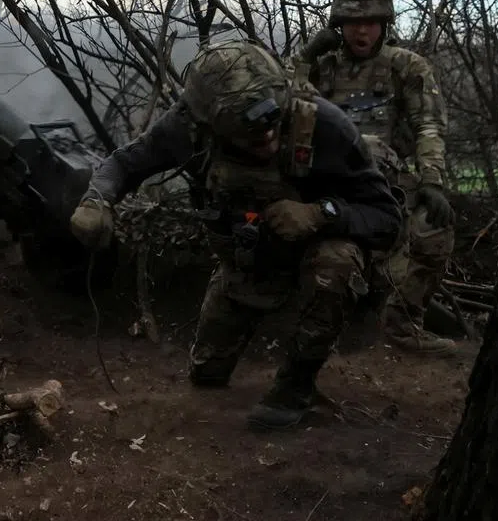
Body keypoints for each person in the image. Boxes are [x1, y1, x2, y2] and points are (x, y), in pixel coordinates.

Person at [69, 40, 402, 430]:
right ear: (212, 126)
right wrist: (96, 203)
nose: (266, 139)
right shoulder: (188, 128)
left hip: (318, 249)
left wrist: (320, 213)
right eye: (249, 135)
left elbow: (386, 218)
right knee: (206, 375)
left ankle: (294, 387)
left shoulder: (325, 126)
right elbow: (124, 164)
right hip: (249, 259)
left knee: (336, 264)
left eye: (272, 127)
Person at [296, 0, 457, 355]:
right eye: (352, 22)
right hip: (331, 182)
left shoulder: (406, 67)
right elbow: (282, 103)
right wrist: (304, 58)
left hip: (389, 184)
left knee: (434, 230)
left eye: (369, 22)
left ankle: (402, 326)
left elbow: (429, 125)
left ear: (384, 23)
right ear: (340, 26)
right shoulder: (324, 67)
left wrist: (432, 179)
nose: (361, 31)